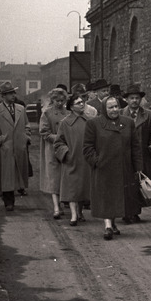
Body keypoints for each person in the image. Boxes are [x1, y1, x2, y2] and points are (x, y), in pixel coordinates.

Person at [83, 96, 143, 241]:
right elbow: (87, 147)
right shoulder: (94, 124)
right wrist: (97, 161)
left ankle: (113, 223)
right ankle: (108, 226)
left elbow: (135, 146)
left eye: (116, 106)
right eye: (110, 107)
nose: (114, 110)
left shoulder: (127, 123)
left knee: (117, 198)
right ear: (104, 109)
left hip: (123, 168)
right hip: (103, 169)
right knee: (106, 197)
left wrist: (138, 167)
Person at [121, 83, 151, 223]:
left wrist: (150, 149)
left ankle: (136, 210)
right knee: (126, 183)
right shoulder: (120, 113)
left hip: (142, 154)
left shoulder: (149, 114)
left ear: (141, 99)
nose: (134, 101)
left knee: (138, 182)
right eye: (131, 98)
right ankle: (127, 211)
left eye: (137, 98)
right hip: (124, 155)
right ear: (126, 99)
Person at [0, 81, 31, 211]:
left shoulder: (21, 108)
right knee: (6, 175)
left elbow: (27, 125)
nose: (13, 95)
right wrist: (0, 140)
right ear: (3, 96)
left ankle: (13, 197)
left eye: (13, 92)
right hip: (5, 146)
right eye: (10, 93)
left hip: (19, 145)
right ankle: (8, 201)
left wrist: (26, 138)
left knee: (18, 174)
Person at [54, 92, 91, 226]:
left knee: (81, 188)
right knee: (72, 188)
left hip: (85, 160)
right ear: (71, 106)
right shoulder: (65, 123)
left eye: (82, 102)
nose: (82, 104)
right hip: (71, 159)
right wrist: (66, 153)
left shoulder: (89, 121)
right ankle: (74, 215)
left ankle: (80, 212)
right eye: (78, 103)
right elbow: (58, 142)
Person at [39, 88, 69, 218]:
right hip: (52, 149)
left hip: (66, 149)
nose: (60, 103)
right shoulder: (47, 113)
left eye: (62, 100)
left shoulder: (68, 113)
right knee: (54, 179)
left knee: (66, 177)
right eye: (57, 100)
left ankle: (64, 204)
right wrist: (59, 138)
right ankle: (56, 208)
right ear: (52, 100)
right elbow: (44, 132)